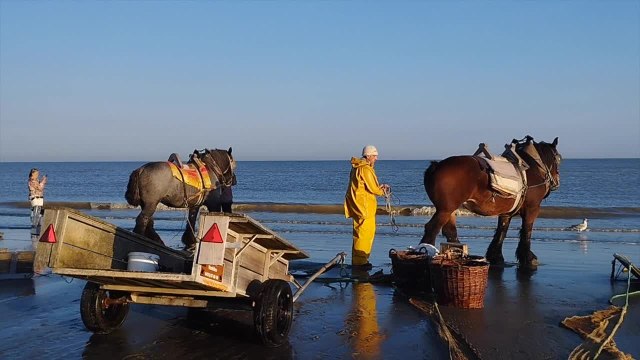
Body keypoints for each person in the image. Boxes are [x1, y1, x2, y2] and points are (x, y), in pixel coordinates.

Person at [344, 145, 390, 270]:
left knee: (359, 233)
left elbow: (364, 186)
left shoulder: (357, 167)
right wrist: (382, 190)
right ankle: (360, 263)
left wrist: (378, 189)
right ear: (368, 156)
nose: (376, 158)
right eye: (374, 156)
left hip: (358, 206)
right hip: (365, 207)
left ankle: (358, 261)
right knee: (365, 235)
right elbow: (373, 189)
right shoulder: (365, 169)